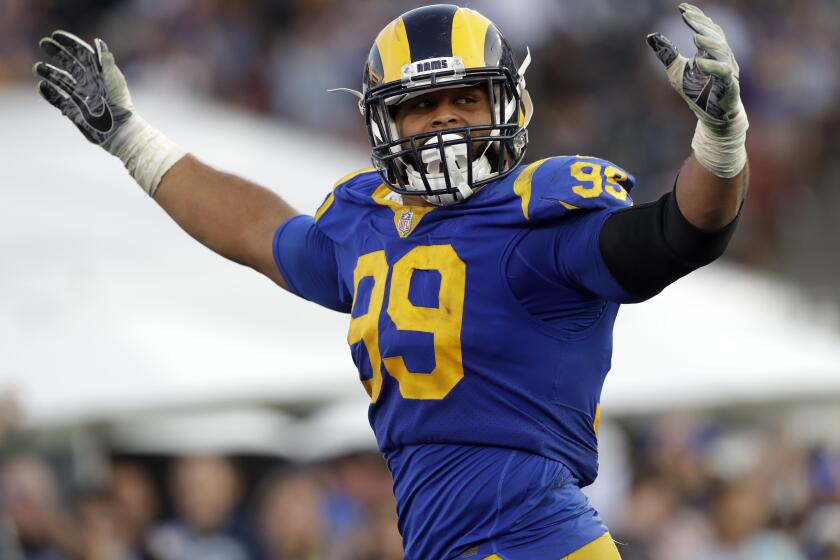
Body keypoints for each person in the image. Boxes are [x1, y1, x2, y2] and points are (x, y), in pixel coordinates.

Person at [33, 3, 749, 559]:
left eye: (464, 99)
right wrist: (131, 139)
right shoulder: (368, 223)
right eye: (418, 106)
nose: (441, 121)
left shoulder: (539, 221)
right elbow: (258, 233)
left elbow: (675, 236)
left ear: (506, 106)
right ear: (384, 124)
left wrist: (720, 145)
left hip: (533, 538)